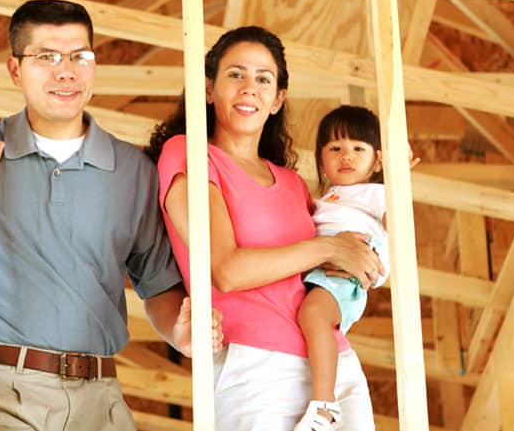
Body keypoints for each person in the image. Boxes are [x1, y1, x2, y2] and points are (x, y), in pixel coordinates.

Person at [0, 0, 220, 431]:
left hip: (100, 399)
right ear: (15, 70)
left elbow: (158, 286)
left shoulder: (134, 172)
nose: (66, 71)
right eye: (46, 57)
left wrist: (181, 334)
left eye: (80, 56)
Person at [145, 26, 383, 431]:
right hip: (256, 367)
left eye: (263, 79)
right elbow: (227, 270)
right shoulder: (188, 154)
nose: (249, 88)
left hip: (334, 363)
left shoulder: (291, 182)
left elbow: (340, 247)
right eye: (235, 75)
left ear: (278, 100)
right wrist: (331, 249)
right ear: (209, 89)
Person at [294, 105, 418, 431]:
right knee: (308, 321)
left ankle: (324, 405)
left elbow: (399, 227)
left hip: (345, 277)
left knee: (312, 316)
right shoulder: (328, 199)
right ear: (321, 159)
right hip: (321, 272)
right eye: (335, 148)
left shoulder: (375, 192)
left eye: (358, 149)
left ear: (377, 160)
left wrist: (397, 179)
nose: (346, 156)